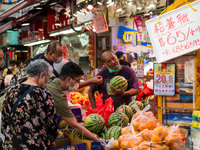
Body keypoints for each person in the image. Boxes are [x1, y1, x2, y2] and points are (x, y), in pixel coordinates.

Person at [1, 59, 57, 149]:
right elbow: (51, 123)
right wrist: (52, 140)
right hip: (35, 145)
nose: (47, 81)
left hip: (12, 144)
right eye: (48, 78)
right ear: (42, 75)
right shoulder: (44, 94)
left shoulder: (12, 91)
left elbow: (4, 120)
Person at [46, 62, 102, 142]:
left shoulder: (52, 79)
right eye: (78, 81)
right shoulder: (59, 96)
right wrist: (96, 140)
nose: (78, 84)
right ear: (68, 79)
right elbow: (75, 125)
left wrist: (91, 81)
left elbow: (74, 85)